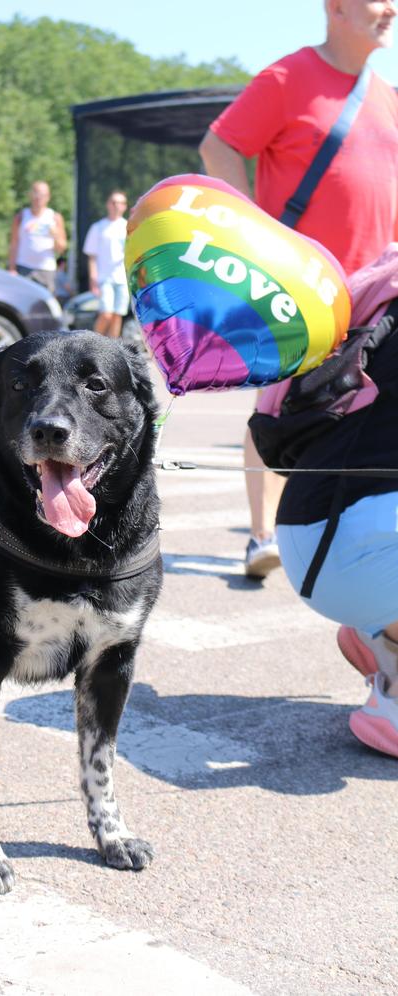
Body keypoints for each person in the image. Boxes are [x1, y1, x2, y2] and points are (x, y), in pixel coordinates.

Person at [199, 0, 398, 579]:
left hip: (374, 295)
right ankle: (261, 535)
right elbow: (219, 148)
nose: (390, 8)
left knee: (364, 410)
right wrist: (258, 241)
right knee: (278, 404)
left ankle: (346, 527)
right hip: (298, 286)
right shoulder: (287, 77)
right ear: (336, 7)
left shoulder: (388, 96)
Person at [258, 245, 398, 757]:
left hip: (308, 533)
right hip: (356, 547)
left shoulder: (383, 295)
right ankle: (393, 702)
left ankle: (381, 637)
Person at [82, 190, 129, 338]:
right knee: (106, 314)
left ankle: (112, 348)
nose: (116, 206)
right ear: (108, 204)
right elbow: (92, 256)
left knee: (117, 315)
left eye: (120, 203)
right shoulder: (98, 227)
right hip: (104, 278)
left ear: (125, 207)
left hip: (122, 279)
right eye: (114, 202)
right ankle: (92, 342)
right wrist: (93, 278)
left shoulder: (128, 227)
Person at [8, 180, 67, 293]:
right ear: (30, 195)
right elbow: (14, 243)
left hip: (46, 270)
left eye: (43, 194)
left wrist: (55, 234)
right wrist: (12, 269)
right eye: (36, 193)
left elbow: (62, 248)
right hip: (23, 268)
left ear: (48, 197)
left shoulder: (54, 217)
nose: (39, 197)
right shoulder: (21, 217)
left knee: (44, 306)